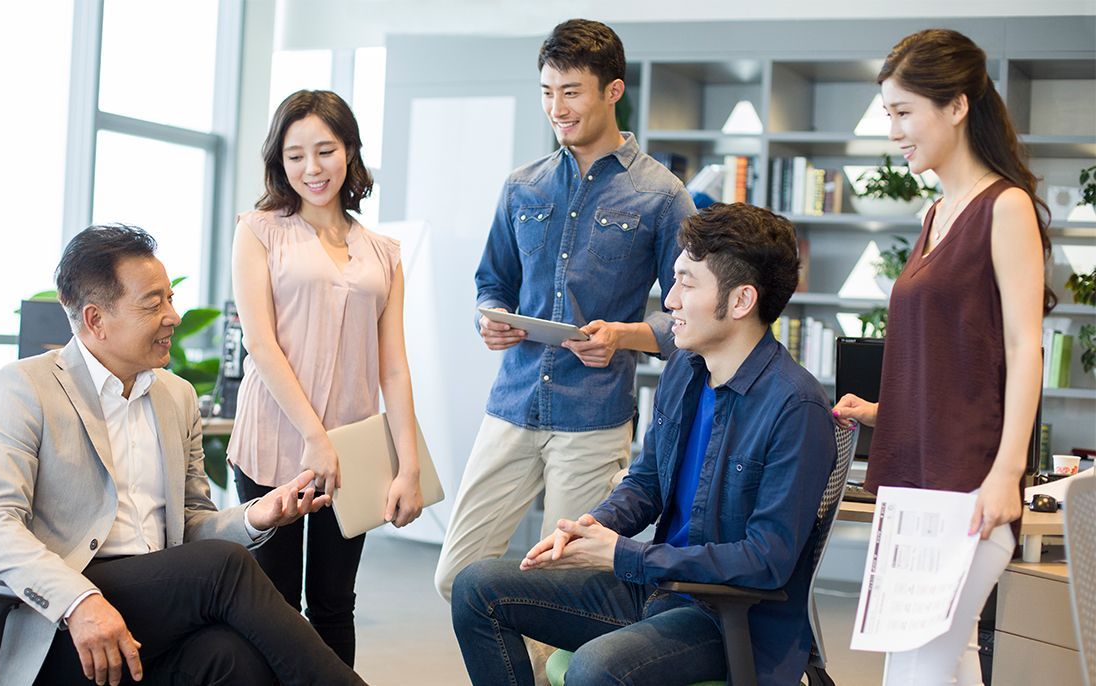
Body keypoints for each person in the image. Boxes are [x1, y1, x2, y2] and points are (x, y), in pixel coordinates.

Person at [0, 224, 366, 686]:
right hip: (59, 621)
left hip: (152, 609)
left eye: (169, 298)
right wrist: (78, 600)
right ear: (95, 319)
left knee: (233, 659)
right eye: (153, 303)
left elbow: (190, 523)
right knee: (222, 568)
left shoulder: (176, 396)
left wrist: (254, 517)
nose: (174, 315)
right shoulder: (26, 387)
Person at [452, 204, 837, 686]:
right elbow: (649, 480)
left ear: (741, 301)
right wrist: (594, 527)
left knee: (595, 669)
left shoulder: (796, 407)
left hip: (725, 619)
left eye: (686, 283)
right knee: (476, 588)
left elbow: (765, 560)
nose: (669, 300)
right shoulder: (685, 368)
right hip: (656, 588)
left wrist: (625, 556)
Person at [434, 18, 698, 602]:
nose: (557, 107)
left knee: (566, 589)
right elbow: (491, 281)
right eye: (548, 92)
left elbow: (695, 316)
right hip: (512, 404)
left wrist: (625, 335)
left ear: (612, 90)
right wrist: (491, 315)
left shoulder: (661, 194)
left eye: (571, 91)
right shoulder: (521, 186)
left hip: (594, 417)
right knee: (456, 575)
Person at [832, 29, 1054, 685]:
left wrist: (1006, 473)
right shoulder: (936, 213)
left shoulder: (1004, 207)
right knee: (948, 666)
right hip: (916, 482)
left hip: (969, 486)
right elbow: (949, 353)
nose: (895, 131)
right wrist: (884, 410)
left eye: (904, 112)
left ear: (956, 105)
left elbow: (1022, 347)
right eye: (888, 115)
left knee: (917, 671)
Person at [227, 89, 423, 666]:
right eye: (295, 155)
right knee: (275, 603)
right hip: (274, 443)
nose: (311, 169)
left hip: (355, 452)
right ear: (278, 161)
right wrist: (315, 439)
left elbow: (394, 365)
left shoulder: (382, 252)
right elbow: (260, 344)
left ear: (350, 152)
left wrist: (407, 465)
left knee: (335, 603)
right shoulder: (259, 231)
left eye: (325, 151)